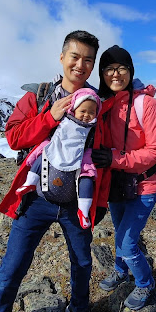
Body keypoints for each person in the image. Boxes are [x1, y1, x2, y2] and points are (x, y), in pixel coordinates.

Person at [0, 31, 111, 312]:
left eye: (88, 60)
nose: (81, 64)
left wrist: (100, 197)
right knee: (13, 265)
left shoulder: (98, 105)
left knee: (82, 262)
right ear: (62, 58)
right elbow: (14, 138)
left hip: (76, 202)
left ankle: (78, 308)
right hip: (36, 199)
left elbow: (100, 152)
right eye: (75, 57)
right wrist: (49, 117)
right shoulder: (38, 97)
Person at [91, 45, 156, 311]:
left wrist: (115, 159)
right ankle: (120, 270)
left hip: (145, 183)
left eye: (122, 68)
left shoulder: (148, 104)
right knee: (119, 230)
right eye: (109, 69)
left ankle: (145, 283)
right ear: (102, 73)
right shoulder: (104, 104)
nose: (116, 74)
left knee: (127, 241)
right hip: (117, 184)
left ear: (131, 71)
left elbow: (155, 151)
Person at [17, 88, 102, 228]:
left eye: (91, 112)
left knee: (87, 178)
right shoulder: (64, 119)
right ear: (74, 109)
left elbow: (92, 146)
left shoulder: (94, 129)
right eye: (82, 111)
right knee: (44, 154)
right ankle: (30, 182)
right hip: (57, 149)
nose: (87, 115)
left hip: (81, 156)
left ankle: (83, 211)